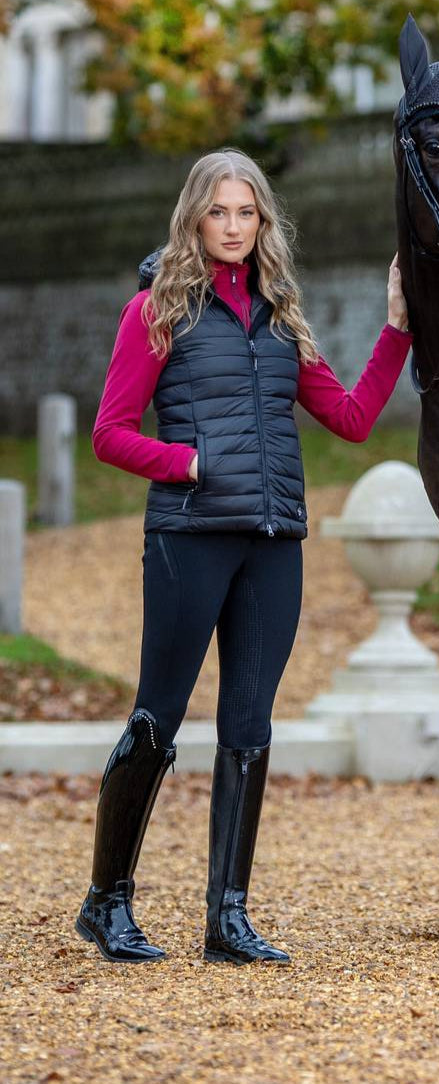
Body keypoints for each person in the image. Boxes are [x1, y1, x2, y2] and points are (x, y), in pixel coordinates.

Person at [76, 148, 412, 965]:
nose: (233, 227)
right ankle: (106, 901)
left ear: (264, 223)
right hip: (189, 538)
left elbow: (356, 419)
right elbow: (109, 434)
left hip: (273, 544)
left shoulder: (280, 316)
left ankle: (227, 916)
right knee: (157, 719)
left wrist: (398, 325)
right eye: (219, 212)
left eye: (247, 213)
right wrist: (185, 463)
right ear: (195, 217)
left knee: (249, 726)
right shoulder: (156, 311)